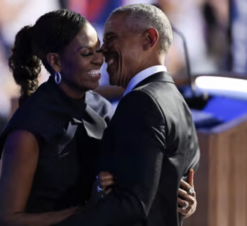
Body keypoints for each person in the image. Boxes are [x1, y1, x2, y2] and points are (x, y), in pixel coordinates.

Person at [0, 9, 196, 226]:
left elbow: (131, 185)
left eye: (98, 50)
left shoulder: (104, 109)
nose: (100, 59)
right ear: (56, 62)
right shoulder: (28, 129)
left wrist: (178, 198)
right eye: (86, 53)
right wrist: (86, 210)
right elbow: (6, 221)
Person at [55, 4, 200, 226]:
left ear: (149, 39)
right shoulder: (178, 101)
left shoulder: (141, 102)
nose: (103, 50)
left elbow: (133, 206)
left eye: (112, 38)